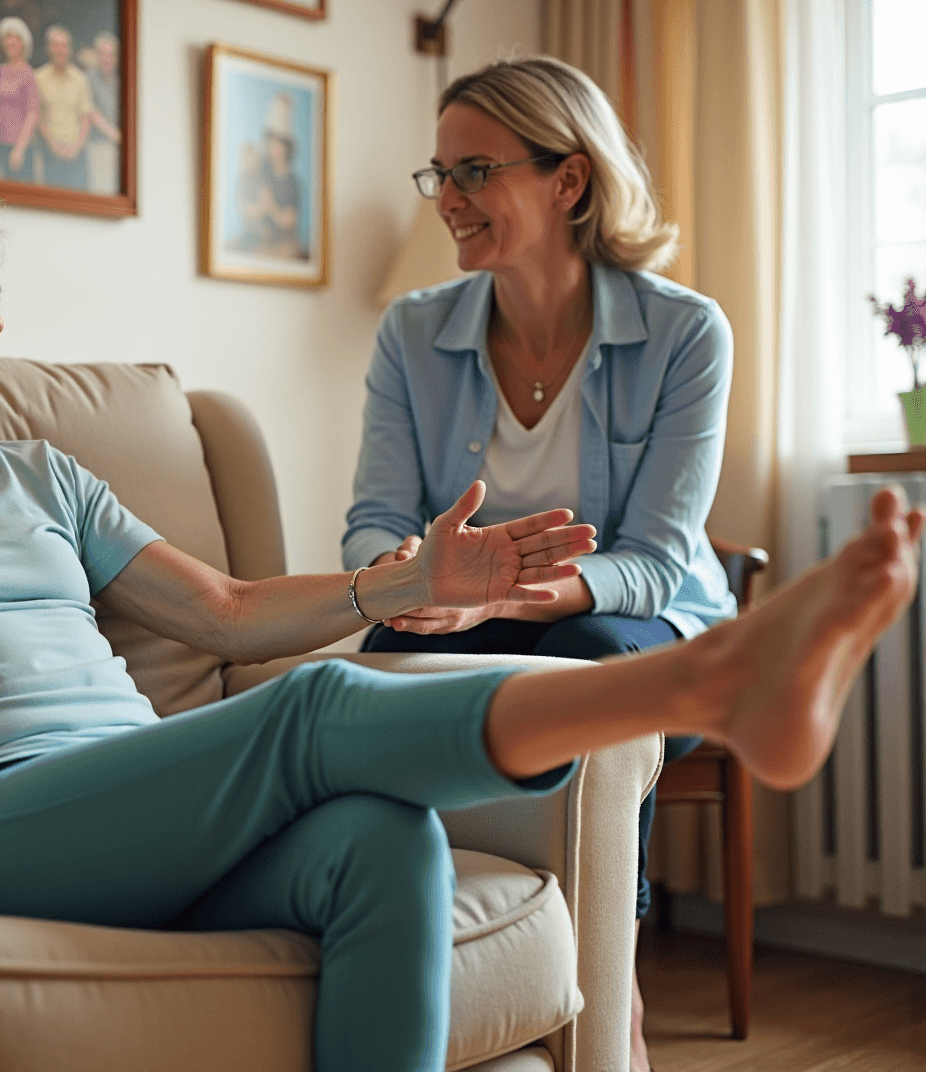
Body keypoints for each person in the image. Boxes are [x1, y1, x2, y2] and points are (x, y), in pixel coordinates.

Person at [0, 171, 923, 1072]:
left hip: (136, 803)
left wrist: (409, 589)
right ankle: (711, 683)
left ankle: (716, 681)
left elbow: (220, 610)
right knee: (321, 716)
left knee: (379, 843)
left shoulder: (40, 471)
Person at [340, 56, 734, 1072]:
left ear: (569, 179)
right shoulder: (411, 332)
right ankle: (412, 953)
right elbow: (377, 519)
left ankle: (614, 988)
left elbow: (651, 565)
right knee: (384, 652)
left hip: (647, 631)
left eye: (474, 171)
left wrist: (495, 596)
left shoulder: (686, 333)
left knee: (593, 651)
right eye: (439, 175)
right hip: (484, 615)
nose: (449, 201)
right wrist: (408, 574)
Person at [235, 93, 304, 258]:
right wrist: (259, 207)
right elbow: (244, 206)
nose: (274, 148)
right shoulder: (258, 170)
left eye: (279, 144)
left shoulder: (293, 182)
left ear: (287, 147)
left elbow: (290, 219)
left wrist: (271, 207)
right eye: (271, 142)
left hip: (282, 244)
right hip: (256, 239)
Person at [0, 16, 37, 182]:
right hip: (0, 142)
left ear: (23, 43)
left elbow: (33, 114)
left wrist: (19, 149)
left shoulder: (28, 74)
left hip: (19, 146)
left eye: (16, 37)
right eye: (8, 37)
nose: (11, 41)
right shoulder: (1, 70)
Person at [34, 25, 92, 189]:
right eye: (55, 45)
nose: (60, 50)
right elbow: (38, 116)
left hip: (78, 153)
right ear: (48, 48)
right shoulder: (38, 77)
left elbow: (86, 116)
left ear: (70, 49)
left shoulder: (80, 78)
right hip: (50, 153)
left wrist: (76, 146)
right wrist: (53, 145)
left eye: (64, 45)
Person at [83, 30, 121, 195]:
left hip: (122, 147)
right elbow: (91, 112)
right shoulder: (89, 78)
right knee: (102, 192)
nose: (107, 58)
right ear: (97, 56)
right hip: (99, 145)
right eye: (103, 54)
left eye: (111, 54)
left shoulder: (122, 79)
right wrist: (115, 134)